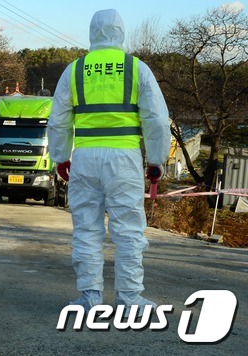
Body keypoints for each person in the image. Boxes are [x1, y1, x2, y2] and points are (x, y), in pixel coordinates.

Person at [47, 9, 171, 315]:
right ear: (120, 32)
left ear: (92, 33)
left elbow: (58, 121)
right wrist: (156, 161)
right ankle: (129, 298)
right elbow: (156, 119)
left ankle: (90, 297)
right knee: (128, 230)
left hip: (85, 157)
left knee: (86, 229)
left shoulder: (74, 70)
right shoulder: (136, 68)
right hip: (124, 157)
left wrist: (60, 157)